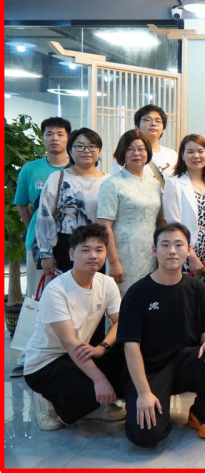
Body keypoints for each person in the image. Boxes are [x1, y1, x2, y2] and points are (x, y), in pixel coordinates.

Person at [117, 223, 205, 447]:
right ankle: (136, 401)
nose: (172, 251)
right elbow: (130, 346)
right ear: (154, 250)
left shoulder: (197, 289)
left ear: (189, 250)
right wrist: (143, 393)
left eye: (179, 245)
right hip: (149, 370)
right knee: (146, 436)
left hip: (183, 364)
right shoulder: (137, 293)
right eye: (165, 245)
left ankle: (200, 414)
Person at [24, 224, 126, 431]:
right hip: (46, 363)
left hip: (79, 355)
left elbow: (122, 322)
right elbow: (70, 343)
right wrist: (100, 380)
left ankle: (93, 405)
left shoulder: (107, 283)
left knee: (126, 365)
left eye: (99, 250)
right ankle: (47, 399)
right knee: (94, 388)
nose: (93, 256)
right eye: (85, 250)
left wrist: (103, 347)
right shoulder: (56, 290)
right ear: (71, 254)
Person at [11, 116, 71, 378]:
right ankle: (26, 355)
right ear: (43, 137)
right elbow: (22, 204)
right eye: (49, 133)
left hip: (71, 243)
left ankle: (64, 351)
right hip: (39, 244)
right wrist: (33, 231)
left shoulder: (77, 167)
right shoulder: (30, 169)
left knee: (68, 299)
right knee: (35, 298)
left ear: (68, 138)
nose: (54, 138)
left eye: (60, 133)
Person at [162, 134, 205, 348]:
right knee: (185, 301)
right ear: (182, 155)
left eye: (200, 151)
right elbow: (174, 223)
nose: (196, 156)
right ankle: (187, 346)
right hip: (183, 253)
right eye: (190, 151)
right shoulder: (174, 183)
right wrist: (190, 257)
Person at [97, 130, 163, 296]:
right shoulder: (112, 184)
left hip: (151, 254)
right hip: (123, 255)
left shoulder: (154, 184)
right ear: (122, 153)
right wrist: (114, 262)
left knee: (150, 300)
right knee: (124, 301)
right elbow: (104, 226)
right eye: (130, 149)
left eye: (141, 149)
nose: (136, 153)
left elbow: (159, 221)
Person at [36, 128, 110, 276]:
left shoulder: (109, 181)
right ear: (70, 150)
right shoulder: (57, 178)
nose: (86, 151)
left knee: (97, 287)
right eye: (79, 146)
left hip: (101, 246)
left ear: (99, 150)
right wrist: (46, 253)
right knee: (67, 287)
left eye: (92, 146)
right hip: (67, 245)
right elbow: (45, 216)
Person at [113, 104, 178, 188]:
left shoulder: (173, 155)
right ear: (137, 127)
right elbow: (118, 184)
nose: (153, 124)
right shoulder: (127, 155)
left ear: (163, 129)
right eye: (147, 120)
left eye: (158, 120)